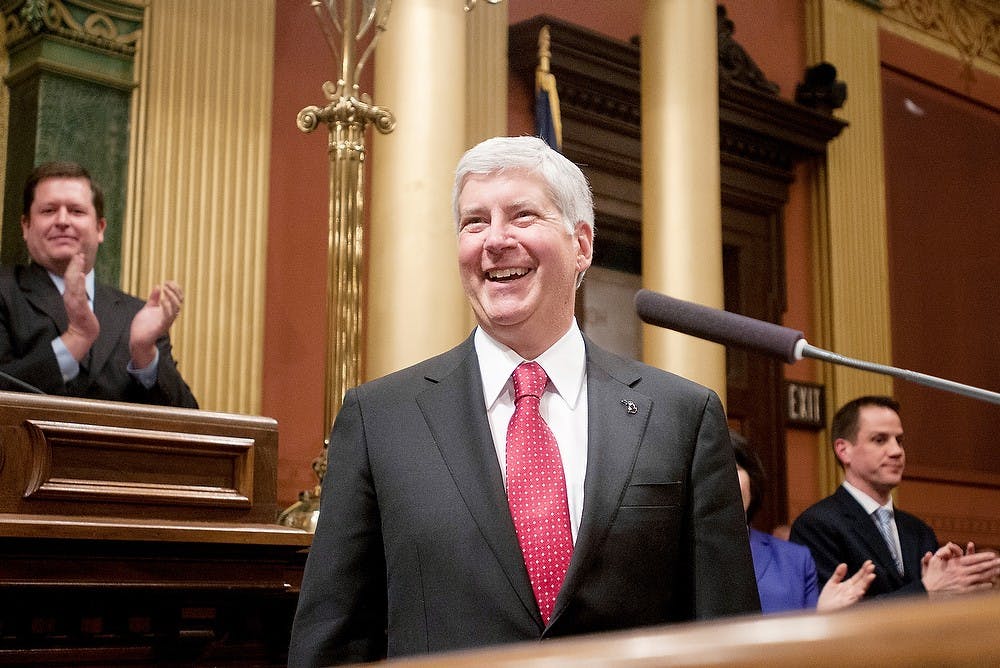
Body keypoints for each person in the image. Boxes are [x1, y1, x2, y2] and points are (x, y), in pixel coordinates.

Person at [288, 136, 760, 666]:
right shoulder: (380, 420)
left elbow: (727, 634)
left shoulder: (681, 416)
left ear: (581, 244)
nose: (494, 240)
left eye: (522, 215)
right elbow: (333, 639)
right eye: (474, 222)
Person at [0, 161, 198, 408]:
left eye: (76, 211)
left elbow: (188, 420)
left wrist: (144, 354)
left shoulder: (136, 315)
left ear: (100, 228)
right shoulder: (5, 292)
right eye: (49, 210)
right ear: (26, 226)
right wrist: (75, 340)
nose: (62, 220)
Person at [790, 395, 1000, 600]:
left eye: (899, 441)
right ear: (844, 450)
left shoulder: (918, 530)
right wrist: (926, 589)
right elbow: (831, 615)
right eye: (880, 440)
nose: (896, 451)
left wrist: (964, 584)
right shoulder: (816, 525)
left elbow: (937, 605)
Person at [731, 431, 874, 613]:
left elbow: (811, 637)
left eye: (733, 467)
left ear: (752, 479)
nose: (724, 481)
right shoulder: (683, 553)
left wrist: (821, 615)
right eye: (712, 470)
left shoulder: (794, 560)